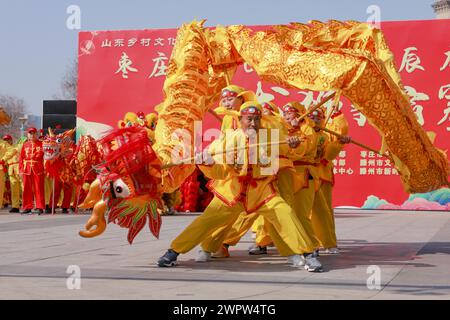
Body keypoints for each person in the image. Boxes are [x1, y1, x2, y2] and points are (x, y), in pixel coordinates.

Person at [157, 101, 324, 272]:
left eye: (256, 119)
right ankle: (174, 251)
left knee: (285, 213)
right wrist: (207, 164)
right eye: (249, 119)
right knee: (206, 221)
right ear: (241, 119)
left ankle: (308, 254)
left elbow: (293, 150)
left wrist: (295, 142)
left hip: (262, 191)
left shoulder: (271, 137)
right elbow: (221, 172)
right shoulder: (228, 140)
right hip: (233, 190)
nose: (253, 123)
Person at [19, 127, 45, 214]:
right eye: (30, 133)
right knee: (26, 188)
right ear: (28, 135)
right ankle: (27, 207)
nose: (32, 135)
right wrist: (21, 170)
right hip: (26, 169)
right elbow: (21, 158)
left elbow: (47, 157)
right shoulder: (25, 144)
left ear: (37, 134)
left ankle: (39, 207)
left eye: (34, 133)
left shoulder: (42, 144)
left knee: (39, 188)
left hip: (38, 168)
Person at [2, 135, 21, 212]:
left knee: (23, 188)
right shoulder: (4, 150)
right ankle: (15, 206)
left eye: (8, 139)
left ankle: (26, 204)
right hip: (10, 169)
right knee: (14, 189)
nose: (6, 141)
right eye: (5, 140)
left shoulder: (16, 147)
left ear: (11, 140)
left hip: (19, 167)